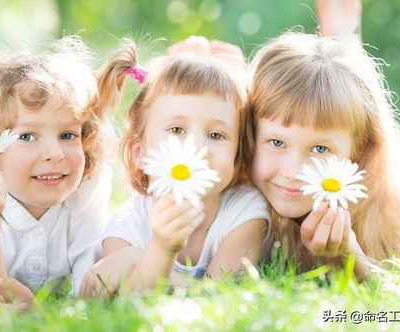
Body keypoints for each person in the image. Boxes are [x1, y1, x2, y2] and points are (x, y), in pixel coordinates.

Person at [0, 35, 128, 309]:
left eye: (68, 134)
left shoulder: (86, 191)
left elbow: (90, 282)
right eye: (27, 136)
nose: (55, 153)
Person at [79, 39, 270, 297]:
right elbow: (130, 302)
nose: (195, 147)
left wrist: (143, 258)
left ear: (238, 156)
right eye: (177, 130)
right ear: (140, 153)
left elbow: (222, 298)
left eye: (216, 135)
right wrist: (161, 246)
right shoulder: (126, 227)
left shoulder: (245, 212)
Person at [248, 31, 400, 279]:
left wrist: (348, 259)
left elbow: (396, 307)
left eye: (320, 149)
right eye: (276, 142)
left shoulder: (394, 218)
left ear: (360, 148)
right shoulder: (229, 207)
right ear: (248, 133)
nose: (293, 171)